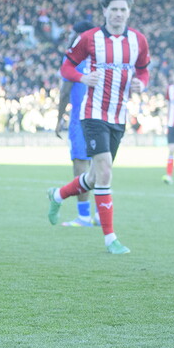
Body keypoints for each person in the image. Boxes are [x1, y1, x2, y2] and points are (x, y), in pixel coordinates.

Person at [46, 0, 150, 254]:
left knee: (94, 176)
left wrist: (141, 84)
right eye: (113, 9)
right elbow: (66, 67)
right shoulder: (89, 39)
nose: (117, 14)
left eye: (122, 9)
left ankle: (58, 195)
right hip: (92, 114)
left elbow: (143, 70)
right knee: (104, 171)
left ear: (129, 12)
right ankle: (110, 239)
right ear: (104, 11)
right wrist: (82, 77)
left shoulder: (138, 41)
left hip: (119, 115)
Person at [54, 20, 100, 227]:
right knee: (100, 166)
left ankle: (84, 216)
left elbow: (64, 92)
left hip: (81, 119)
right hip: (102, 118)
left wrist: (59, 119)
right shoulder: (103, 57)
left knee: (81, 166)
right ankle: (100, 213)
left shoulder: (74, 57)